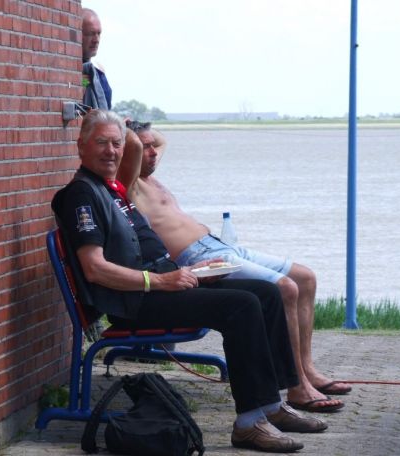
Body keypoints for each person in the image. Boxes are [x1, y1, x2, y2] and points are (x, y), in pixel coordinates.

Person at [52, 110, 329, 453]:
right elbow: (95, 269)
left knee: (267, 293)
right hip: (136, 302)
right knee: (241, 306)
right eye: (101, 143)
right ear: (81, 146)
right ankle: (249, 424)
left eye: (116, 143)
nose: (111, 151)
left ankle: (272, 405)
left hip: (159, 285)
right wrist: (160, 280)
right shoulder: (81, 195)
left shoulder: (110, 187)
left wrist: (196, 272)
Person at [118, 121, 352, 414]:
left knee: (305, 278)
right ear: (130, 151)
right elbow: (134, 146)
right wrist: (122, 125)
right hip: (196, 256)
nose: (154, 151)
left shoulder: (151, 175)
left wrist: (139, 128)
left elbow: (160, 140)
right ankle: (298, 386)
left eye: (153, 146)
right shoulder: (130, 184)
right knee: (285, 289)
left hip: (220, 245)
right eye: (146, 147)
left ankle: (308, 369)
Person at [81, 8, 112, 110]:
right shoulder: (69, 69)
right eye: (91, 33)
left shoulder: (99, 70)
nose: (96, 40)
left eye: (99, 34)